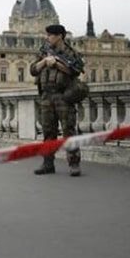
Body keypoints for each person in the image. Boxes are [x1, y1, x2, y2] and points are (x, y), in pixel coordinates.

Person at [30, 24, 84, 177]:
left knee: (69, 131)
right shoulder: (44, 51)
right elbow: (33, 70)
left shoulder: (70, 53)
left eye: (50, 35)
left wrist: (57, 64)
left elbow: (76, 71)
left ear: (60, 35)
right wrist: (44, 62)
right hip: (46, 96)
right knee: (48, 132)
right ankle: (48, 163)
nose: (48, 38)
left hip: (64, 96)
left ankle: (74, 164)